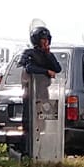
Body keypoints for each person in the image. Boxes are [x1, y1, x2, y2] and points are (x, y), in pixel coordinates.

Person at [19, 21, 62, 159]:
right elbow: (29, 68)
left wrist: (49, 55)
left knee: (42, 122)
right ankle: (27, 152)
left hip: (43, 93)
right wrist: (45, 71)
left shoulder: (48, 55)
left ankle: (41, 150)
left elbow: (58, 68)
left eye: (47, 40)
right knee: (29, 123)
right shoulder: (28, 53)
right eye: (43, 40)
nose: (46, 42)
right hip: (30, 93)